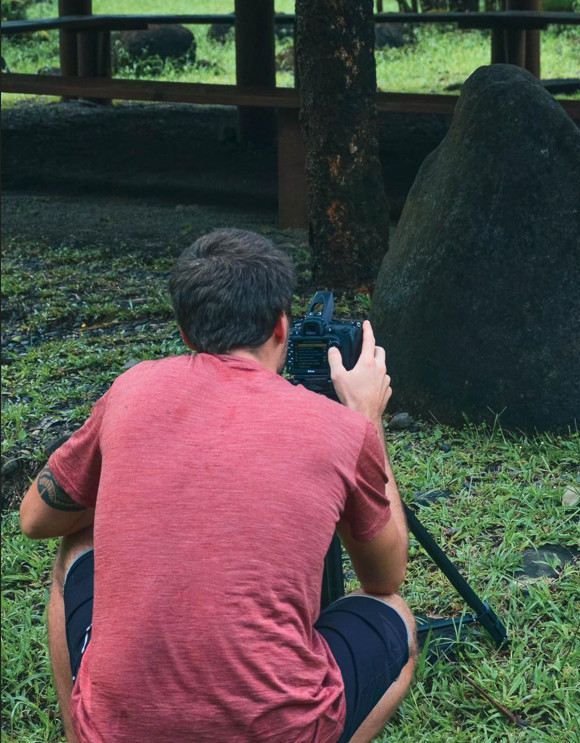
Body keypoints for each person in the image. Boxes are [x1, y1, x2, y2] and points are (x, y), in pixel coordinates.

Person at [19, 228, 417, 743]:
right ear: (281, 326)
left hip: (121, 731)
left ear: (186, 335)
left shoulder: (131, 389)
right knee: (396, 618)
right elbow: (385, 578)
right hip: (282, 730)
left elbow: (35, 518)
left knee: (77, 545)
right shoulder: (339, 428)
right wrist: (367, 420)